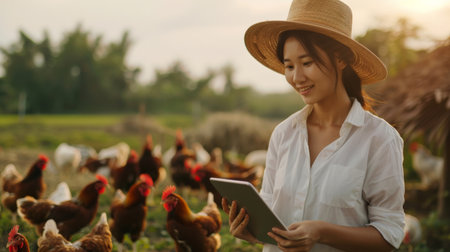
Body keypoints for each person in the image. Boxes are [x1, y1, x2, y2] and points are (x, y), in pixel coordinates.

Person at [221, 0, 405, 251]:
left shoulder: (379, 139)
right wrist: (251, 228)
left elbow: (389, 235)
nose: (297, 78)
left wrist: (322, 233)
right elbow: (270, 212)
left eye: (307, 63)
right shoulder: (283, 134)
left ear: (340, 59)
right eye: (289, 66)